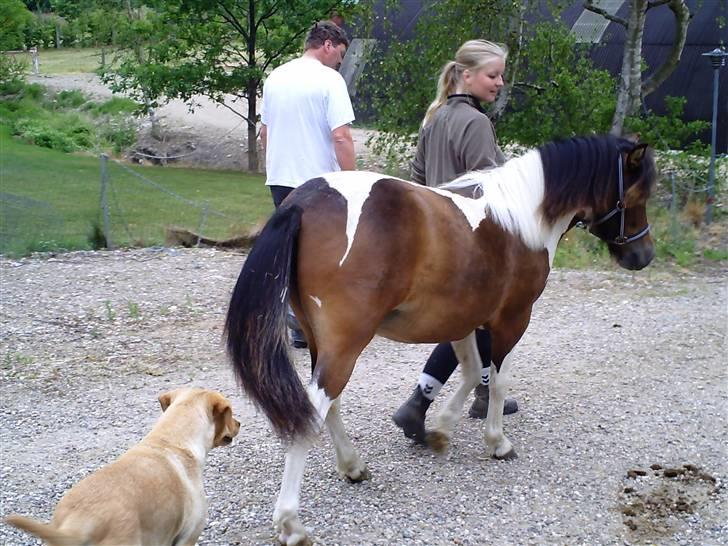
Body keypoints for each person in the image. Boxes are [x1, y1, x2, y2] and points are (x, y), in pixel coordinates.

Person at [392, 39, 519, 444]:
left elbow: (416, 179)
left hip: (434, 239)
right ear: (467, 75)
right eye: (492, 75)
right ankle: (421, 400)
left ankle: (476, 394)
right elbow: (488, 188)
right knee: (477, 319)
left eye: (500, 75)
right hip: (469, 240)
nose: (499, 82)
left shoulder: (436, 116)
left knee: (473, 325)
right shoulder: (476, 123)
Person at [260, 20, 356, 348]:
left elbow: (265, 133)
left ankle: (294, 321)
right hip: (318, 183)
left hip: (281, 179)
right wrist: (354, 181)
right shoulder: (329, 80)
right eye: (339, 55)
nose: (339, 62)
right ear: (327, 45)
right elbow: (341, 136)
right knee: (323, 255)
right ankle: (316, 322)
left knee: (292, 252)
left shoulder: (275, 76)